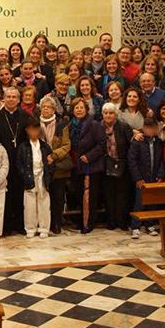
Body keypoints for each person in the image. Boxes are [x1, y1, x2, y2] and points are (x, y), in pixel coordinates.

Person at [0, 87, 31, 235]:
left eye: (14, 97)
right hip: (1, 162)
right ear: (4, 98)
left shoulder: (26, 116)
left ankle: (19, 224)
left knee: (19, 193)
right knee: (3, 195)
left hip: (20, 160)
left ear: (19, 100)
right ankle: (3, 226)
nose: (11, 99)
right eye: (9, 96)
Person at [68, 97, 104, 234]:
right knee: (78, 194)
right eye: (76, 107)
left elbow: (102, 145)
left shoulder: (94, 124)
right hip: (76, 166)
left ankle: (89, 223)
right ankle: (81, 221)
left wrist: (89, 156)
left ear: (86, 109)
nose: (79, 110)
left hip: (91, 165)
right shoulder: (70, 125)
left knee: (91, 196)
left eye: (81, 107)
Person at [127, 118, 164, 239]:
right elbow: (132, 161)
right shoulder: (138, 142)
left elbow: (161, 160)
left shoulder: (159, 142)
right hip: (142, 177)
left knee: (152, 202)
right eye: (148, 128)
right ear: (144, 128)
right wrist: (137, 178)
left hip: (154, 176)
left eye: (153, 128)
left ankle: (150, 224)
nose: (150, 130)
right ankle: (135, 226)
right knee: (139, 202)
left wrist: (160, 174)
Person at [17, 119, 53, 239]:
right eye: (31, 129)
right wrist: (24, 175)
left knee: (44, 202)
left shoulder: (44, 145)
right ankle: (30, 228)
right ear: (27, 130)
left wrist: (49, 172)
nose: (34, 132)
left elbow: (51, 161)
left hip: (43, 175)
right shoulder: (23, 146)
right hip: (29, 176)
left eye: (36, 129)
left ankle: (44, 228)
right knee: (29, 204)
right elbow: (19, 164)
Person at [39, 97, 71, 234]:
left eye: (49, 107)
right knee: (43, 197)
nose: (46, 109)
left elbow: (66, 145)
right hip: (41, 165)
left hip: (58, 166)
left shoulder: (61, 124)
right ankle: (44, 223)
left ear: (54, 109)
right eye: (43, 107)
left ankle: (56, 223)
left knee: (58, 197)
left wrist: (53, 155)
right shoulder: (35, 123)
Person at [101, 103, 134, 232]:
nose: (108, 115)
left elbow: (131, 145)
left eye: (111, 113)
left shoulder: (124, 126)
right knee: (108, 194)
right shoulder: (98, 126)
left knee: (122, 194)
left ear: (116, 114)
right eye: (106, 113)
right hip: (106, 164)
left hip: (122, 164)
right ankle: (111, 221)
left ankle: (122, 221)